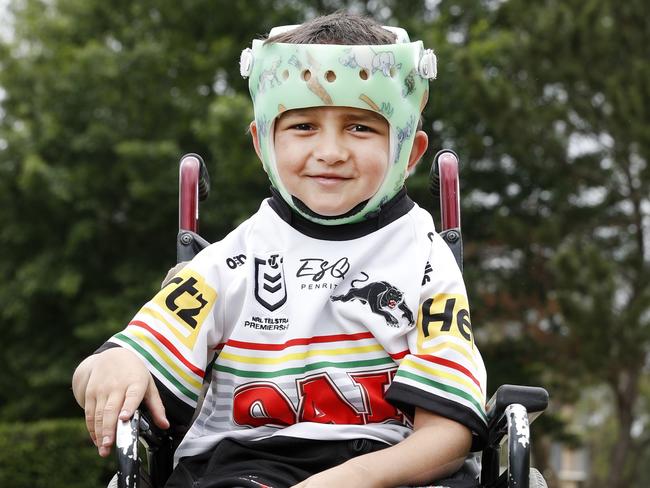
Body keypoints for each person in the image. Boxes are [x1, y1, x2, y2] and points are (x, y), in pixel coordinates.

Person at [72, 11, 487, 488]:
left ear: (408, 152)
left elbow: (447, 436)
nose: (330, 151)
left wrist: (347, 481)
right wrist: (110, 366)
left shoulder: (425, 262)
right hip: (246, 464)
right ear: (262, 142)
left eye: (360, 128)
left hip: (391, 466)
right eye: (303, 126)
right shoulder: (229, 263)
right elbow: (118, 362)